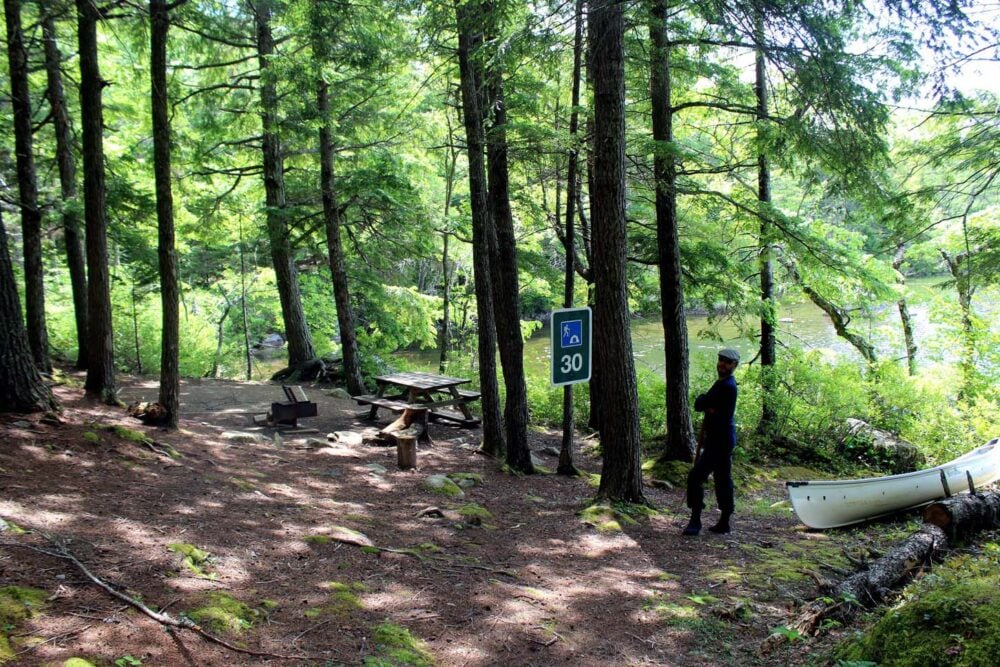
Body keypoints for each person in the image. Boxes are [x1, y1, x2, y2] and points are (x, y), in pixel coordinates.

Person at [682, 348, 739, 536]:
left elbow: (700, 403)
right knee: (723, 479)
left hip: (720, 442)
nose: (722, 364)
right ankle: (724, 522)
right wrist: (707, 404)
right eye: (721, 360)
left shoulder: (727, 386)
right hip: (720, 439)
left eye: (727, 362)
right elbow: (703, 404)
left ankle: (695, 520)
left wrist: (707, 403)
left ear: (734, 365)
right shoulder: (721, 383)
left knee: (696, 477)